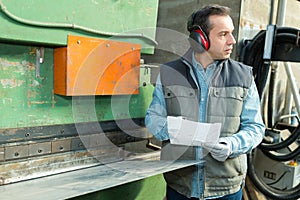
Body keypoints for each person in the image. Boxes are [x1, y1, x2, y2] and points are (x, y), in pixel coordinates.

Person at [145, 4, 265, 200]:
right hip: (180, 186)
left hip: (225, 189)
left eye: (231, 33)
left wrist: (231, 144)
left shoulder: (243, 77)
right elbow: (153, 119)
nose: (232, 41)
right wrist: (181, 130)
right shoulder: (169, 74)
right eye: (223, 34)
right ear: (200, 39)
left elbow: (256, 128)